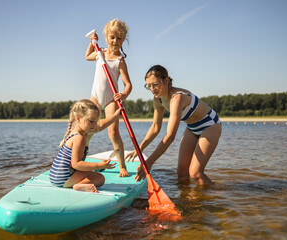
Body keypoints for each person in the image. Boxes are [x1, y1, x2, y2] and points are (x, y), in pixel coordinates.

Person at [126, 65, 221, 186]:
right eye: (148, 86)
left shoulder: (177, 98)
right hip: (192, 128)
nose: (152, 89)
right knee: (181, 173)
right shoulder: (157, 100)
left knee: (196, 173)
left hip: (210, 124)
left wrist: (149, 162)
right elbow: (155, 127)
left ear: (166, 81)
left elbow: (170, 137)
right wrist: (140, 148)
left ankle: (218, 196)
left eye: (155, 84)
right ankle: (187, 200)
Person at [85, 19, 132, 177]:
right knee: (88, 129)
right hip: (95, 97)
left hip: (112, 99)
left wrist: (124, 94)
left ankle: (122, 166)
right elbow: (87, 57)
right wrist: (93, 43)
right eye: (112, 37)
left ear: (123, 39)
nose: (115, 41)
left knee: (113, 133)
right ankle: (80, 160)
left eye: (119, 38)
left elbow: (128, 84)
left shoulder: (120, 61)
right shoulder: (100, 53)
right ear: (106, 37)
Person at [49, 99, 122, 193]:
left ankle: (78, 182)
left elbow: (100, 126)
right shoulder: (79, 138)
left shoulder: (75, 131)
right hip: (63, 178)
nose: (94, 125)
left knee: (94, 171)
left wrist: (115, 116)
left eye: (96, 121)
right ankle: (79, 185)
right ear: (78, 118)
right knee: (99, 178)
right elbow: (76, 164)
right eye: (91, 121)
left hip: (55, 176)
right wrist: (98, 165)